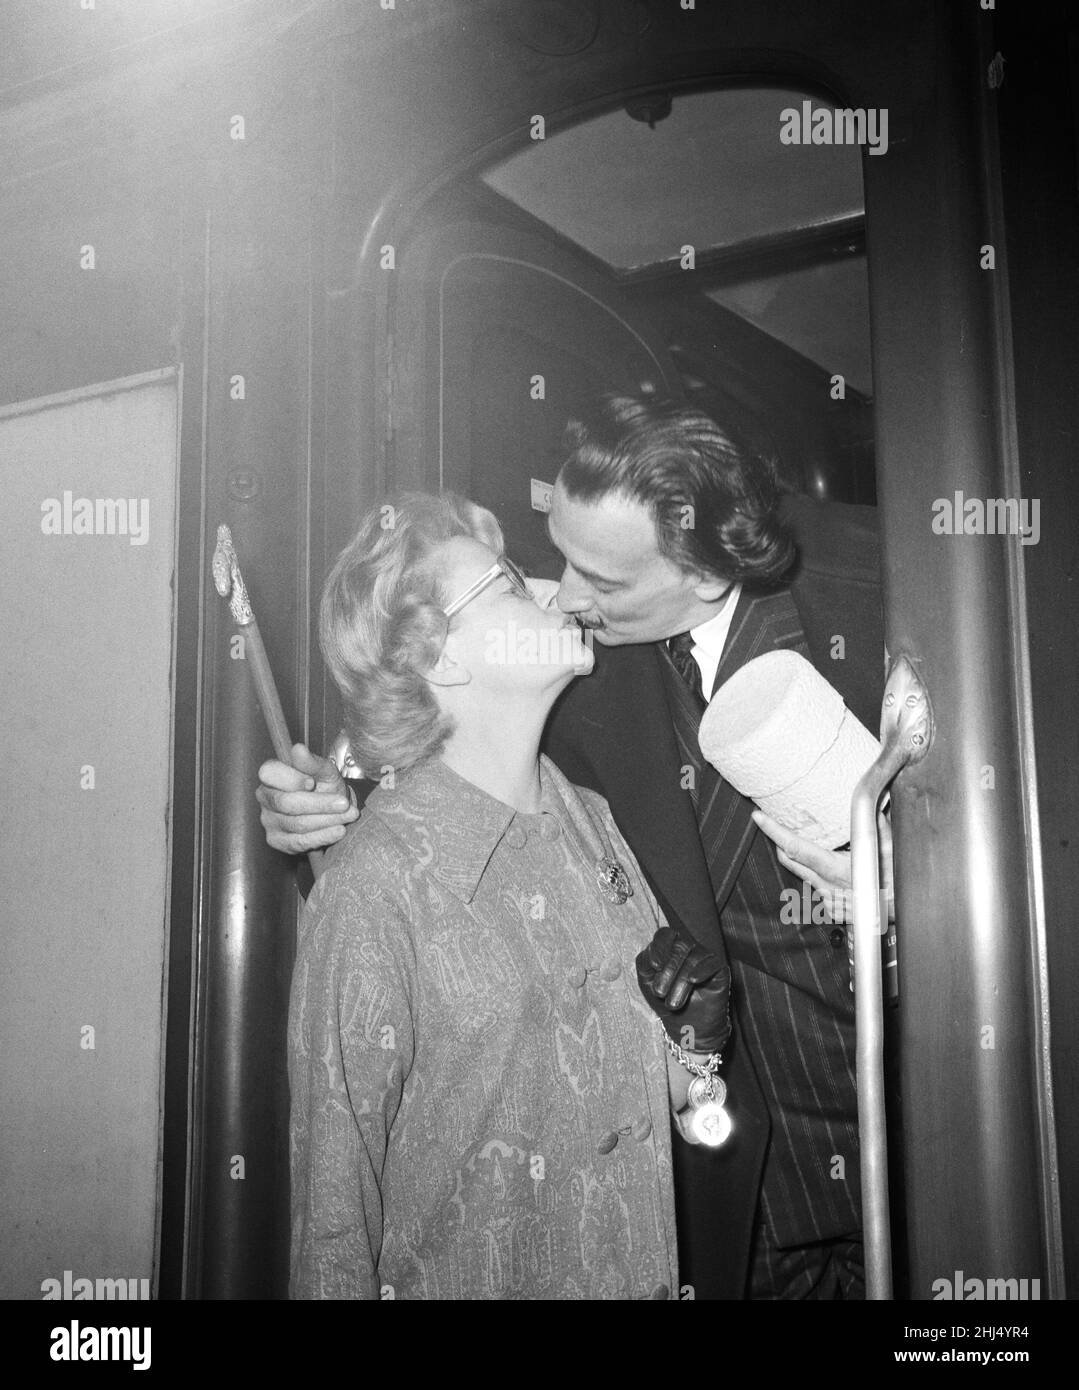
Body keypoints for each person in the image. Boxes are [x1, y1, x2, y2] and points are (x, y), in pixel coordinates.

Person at [262, 395, 889, 1299]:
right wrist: (340, 788)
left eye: (587, 579)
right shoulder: (575, 667)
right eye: (531, 572)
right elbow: (443, 730)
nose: (564, 593)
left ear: (703, 574)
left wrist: (901, 900)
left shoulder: (885, 602)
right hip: (739, 1217)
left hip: (906, 1146)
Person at [287, 488, 728, 1301]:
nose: (558, 594)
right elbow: (332, 1232)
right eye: (511, 585)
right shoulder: (375, 889)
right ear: (436, 658)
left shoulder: (595, 824)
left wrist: (697, 1050)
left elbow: (682, 1120)